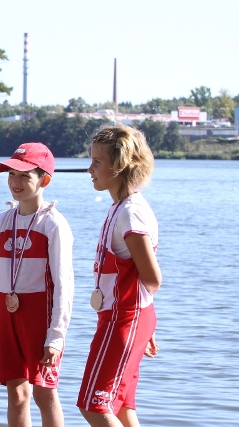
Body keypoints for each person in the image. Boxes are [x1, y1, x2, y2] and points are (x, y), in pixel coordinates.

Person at [0, 142, 74, 427]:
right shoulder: (0, 223)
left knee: (44, 393)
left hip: (40, 319)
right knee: (17, 394)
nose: (15, 182)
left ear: (44, 180)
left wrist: (55, 337)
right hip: (7, 317)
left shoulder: (53, 224)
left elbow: (64, 285)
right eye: (12, 174)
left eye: (24, 175)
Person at [78, 125, 161, 427]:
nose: (90, 169)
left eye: (97, 162)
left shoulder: (131, 212)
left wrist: (139, 320)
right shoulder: (121, 207)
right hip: (125, 316)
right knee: (122, 407)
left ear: (121, 166)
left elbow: (152, 277)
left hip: (124, 317)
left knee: (94, 405)